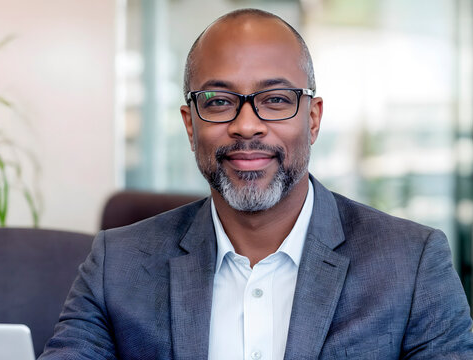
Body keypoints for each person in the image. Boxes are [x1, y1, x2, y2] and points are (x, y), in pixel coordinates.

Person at [39, 8, 473, 360]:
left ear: (314, 119)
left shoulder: (411, 265)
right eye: (220, 102)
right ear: (190, 126)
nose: (247, 126)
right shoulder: (118, 264)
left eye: (276, 100)